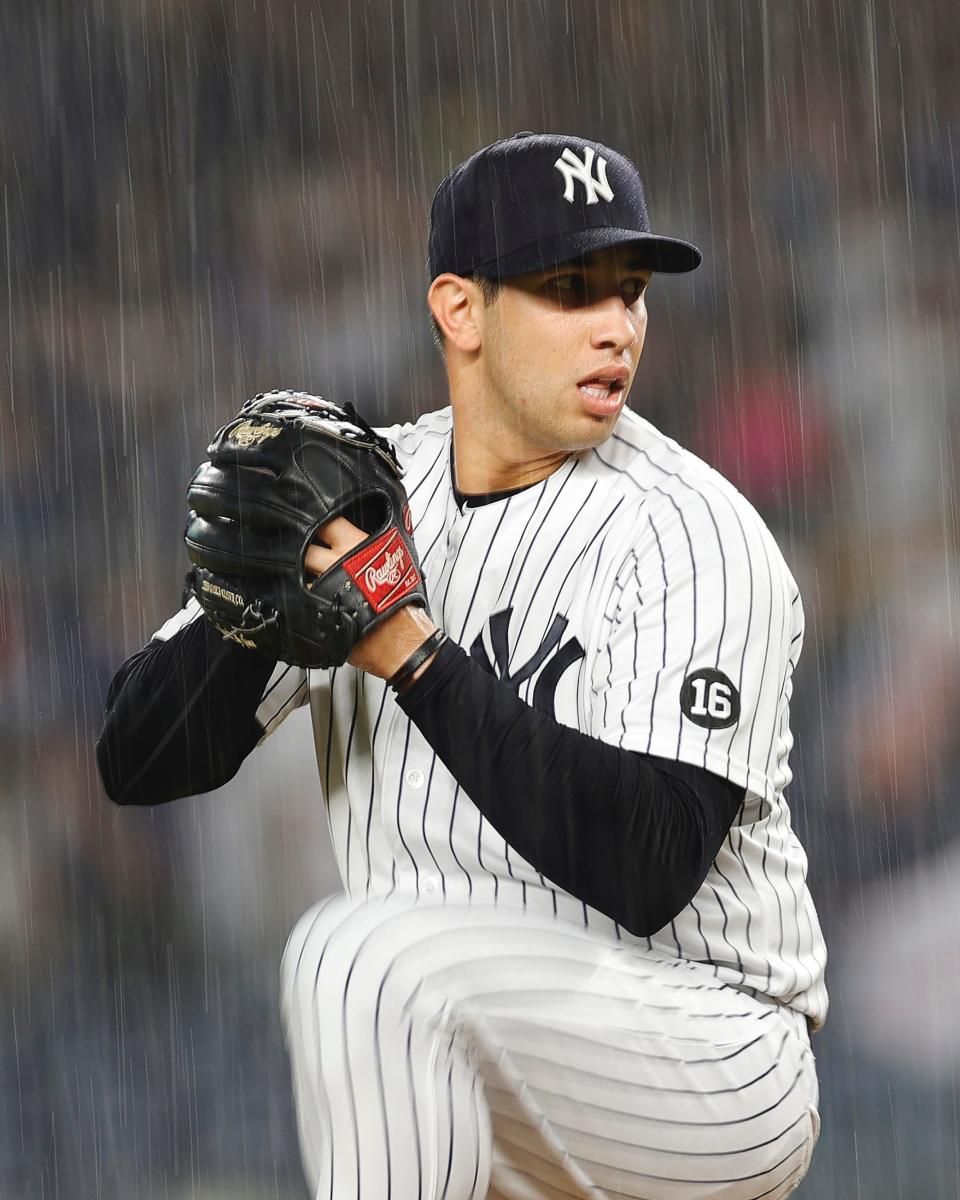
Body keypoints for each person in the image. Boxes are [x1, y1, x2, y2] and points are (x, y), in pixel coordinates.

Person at [97, 131, 827, 1200]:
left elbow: (652, 862)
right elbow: (138, 757)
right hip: (474, 1065)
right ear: (460, 309)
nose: (618, 327)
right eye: (570, 290)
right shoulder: (372, 489)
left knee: (360, 959)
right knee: (384, 978)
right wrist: (253, 597)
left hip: (711, 1054)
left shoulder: (692, 534)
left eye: (630, 293)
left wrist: (407, 646)